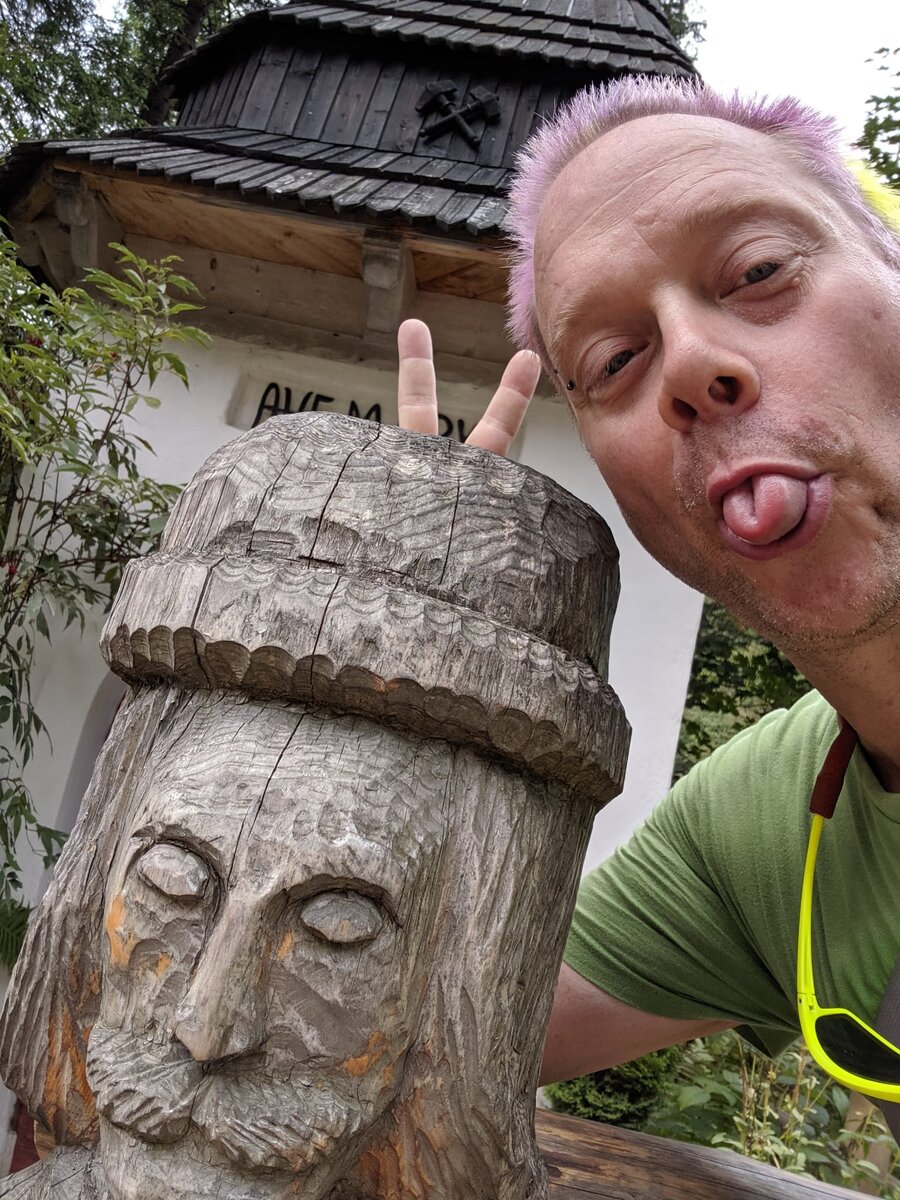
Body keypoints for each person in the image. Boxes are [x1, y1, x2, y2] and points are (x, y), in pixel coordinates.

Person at [394, 74, 900, 1109]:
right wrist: (397, 659)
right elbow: (403, 1033)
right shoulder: (764, 831)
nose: (694, 364)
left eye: (760, 269)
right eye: (616, 358)